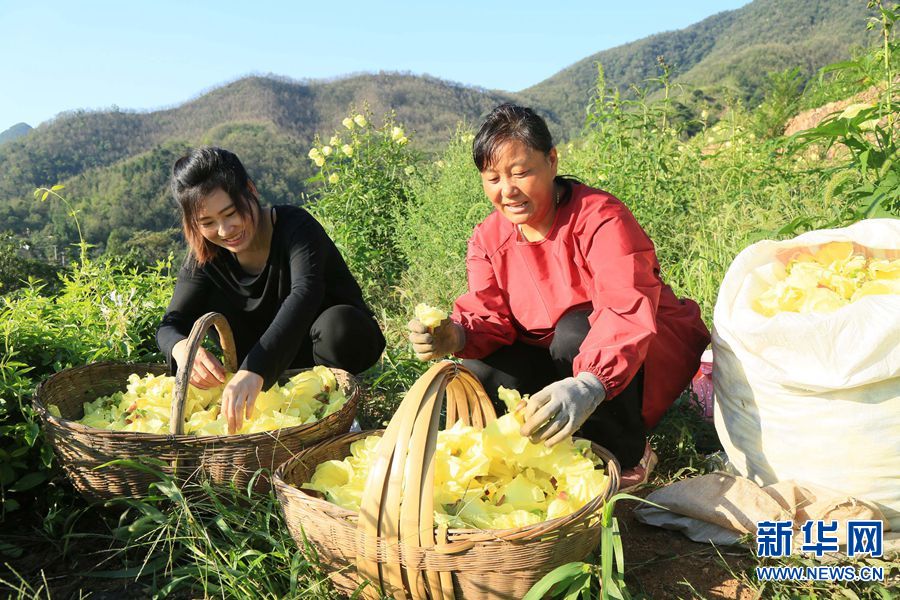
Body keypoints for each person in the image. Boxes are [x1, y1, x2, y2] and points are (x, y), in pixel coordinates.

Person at [407, 104, 710, 488]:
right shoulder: (488, 239)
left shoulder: (600, 218)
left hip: (636, 345)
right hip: (556, 354)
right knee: (482, 367)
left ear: (552, 161)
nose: (508, 191)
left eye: (521, 173)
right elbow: (489, 315)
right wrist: (454, 336)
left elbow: (625, 307)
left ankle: (627, 450)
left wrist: (589, 384)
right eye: (493, 178)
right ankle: (546, 444)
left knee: (574, 331)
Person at [157, 147, 385, 433]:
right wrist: (182, 349)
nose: (225, 230)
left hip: (321, 348)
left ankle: (336, 409)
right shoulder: (206, 255)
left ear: (250, 190)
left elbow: (305, 293)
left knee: (339, 325)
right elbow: (170, 325)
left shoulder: (295, 227)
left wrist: (255, 369)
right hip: (255, 367)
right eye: (208, 223)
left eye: (230, 213)